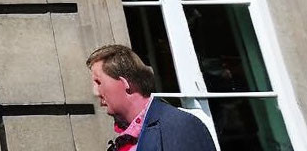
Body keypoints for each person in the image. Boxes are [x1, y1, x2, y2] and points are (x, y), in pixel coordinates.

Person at [86, 44, 216, 151]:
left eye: (98, 82)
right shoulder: (125, 138)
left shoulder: (181, 127)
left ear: (125, 83)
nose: (95, 92)